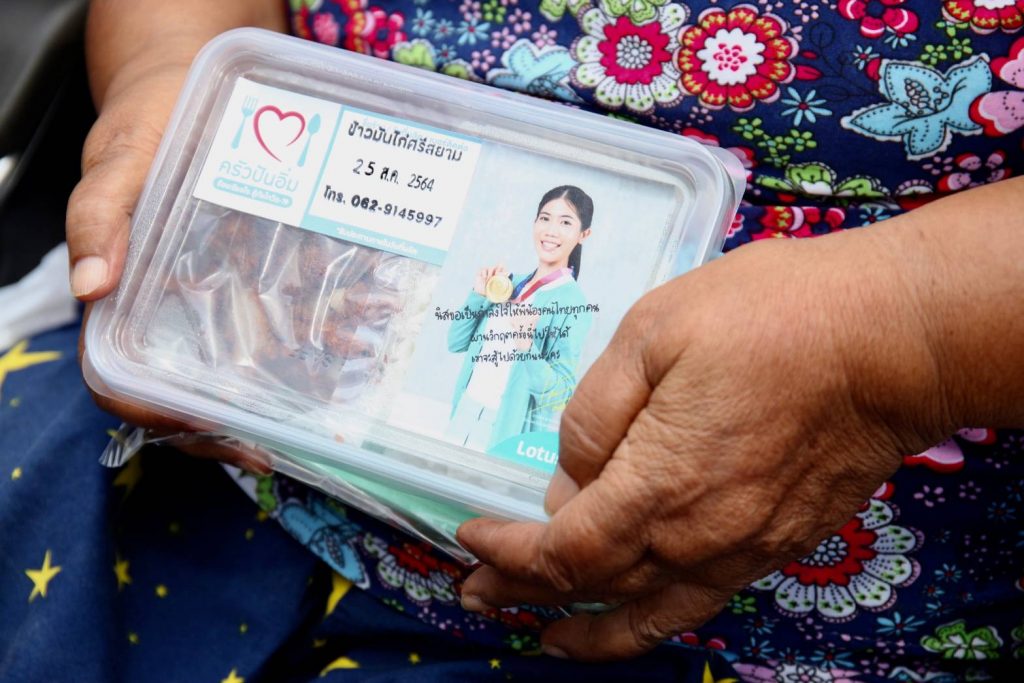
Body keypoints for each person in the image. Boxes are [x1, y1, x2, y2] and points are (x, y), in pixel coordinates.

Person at [2, 0, 1018, 680]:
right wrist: (176, 81)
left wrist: (905, 330)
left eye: (563, 226)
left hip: (802, 632)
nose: (548, 233)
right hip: (221, 455)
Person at [446, 186, 593, 452]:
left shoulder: (574, 305)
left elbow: (559, 397)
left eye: (566, 223)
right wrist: (478, 296)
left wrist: (527, 346)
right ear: (534, 223)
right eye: (545, 218)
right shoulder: (508, 283)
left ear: (583, 234)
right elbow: (455, 342)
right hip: (462, 414)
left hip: (505, 432)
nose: (551, 230)